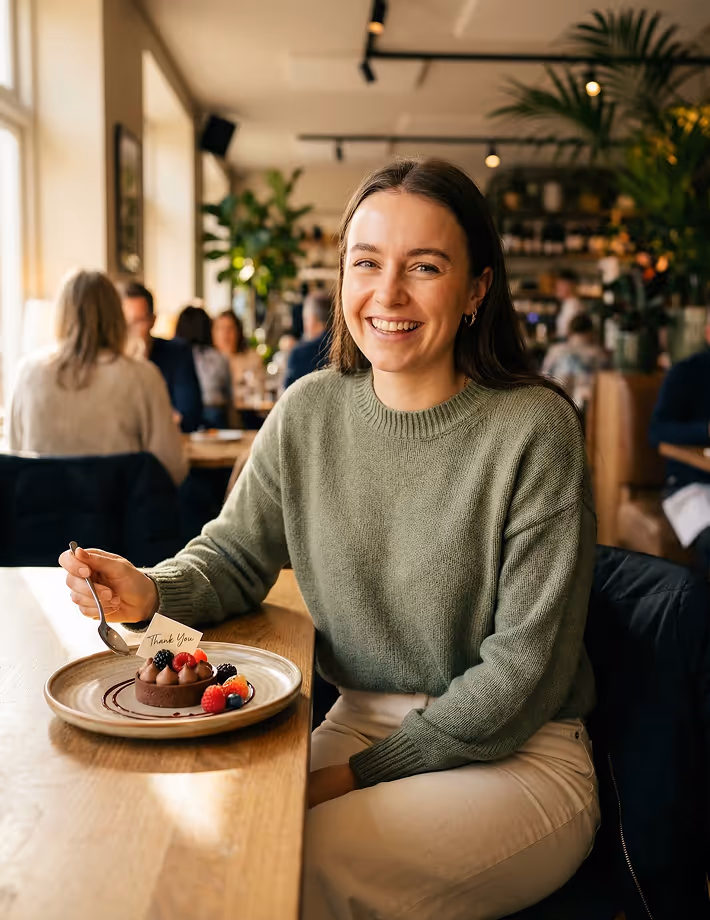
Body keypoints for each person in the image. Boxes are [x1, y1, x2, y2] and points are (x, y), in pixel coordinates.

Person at [60, 159, 598, 920]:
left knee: (289, 864)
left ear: (478, 288)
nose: (389, 293)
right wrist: (147, 591)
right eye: (366, 262)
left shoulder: (535, 431)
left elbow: (523, 673)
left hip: (517, 754)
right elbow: (234, 558)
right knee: (212, 841)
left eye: (426, 267)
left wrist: (349, 777)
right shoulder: (309, 411)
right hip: (356, 719)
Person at [9, 270, 187, 485]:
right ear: (116, 315)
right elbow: (171, 468)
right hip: (119, 515)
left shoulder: (27, 374)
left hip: (41, 514)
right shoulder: (143, 376)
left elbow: (14, 460)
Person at [649, 313, 710, 576]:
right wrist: (706, 430)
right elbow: (657, 432)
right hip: (692, 484)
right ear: (708, 333)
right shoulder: (686, 372)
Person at [122, 282, 202, 433]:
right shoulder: (111, 361)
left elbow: (189, 417)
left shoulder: (177, 353)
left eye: (139, 321)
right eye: (126, 322)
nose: (131, 330)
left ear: (153, 320)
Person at [175, 305, 233, 430]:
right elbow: (228, 397)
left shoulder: (173, 359)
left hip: (181, 420)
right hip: (213, 416)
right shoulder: (218, 358)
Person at [542, 313, 610, 407]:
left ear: (570, 331)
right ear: (591, 331)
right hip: (586, 409)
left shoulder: (555, 351)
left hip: (556, 406)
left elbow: (544, 378)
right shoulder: (599, 355)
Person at [211, 309, 265, 404]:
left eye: (230, 328)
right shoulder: (208, 362)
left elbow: (259, 391)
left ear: (238, 332)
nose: (225, 334)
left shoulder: (252, 358)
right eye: (220, 328)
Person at [283, 292, 332, 389]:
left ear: (312, 319)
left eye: (305, 319)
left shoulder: (300, 353)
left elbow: (286, 396)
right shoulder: (347, 348)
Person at [554, 269, 583, 340]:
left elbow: (571, 332)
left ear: (570, 286)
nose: (557, 289)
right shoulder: (567, 304)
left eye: (560, 286)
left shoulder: (573, 305)